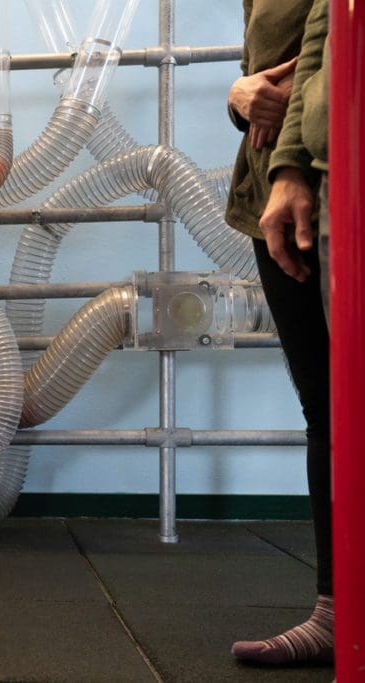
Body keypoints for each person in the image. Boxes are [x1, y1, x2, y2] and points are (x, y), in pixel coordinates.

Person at [225, 0, 334, 665]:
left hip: (322, 180)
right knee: (327, 406)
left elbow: (323, 53)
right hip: (276, 194)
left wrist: (294, 157)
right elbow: (270, 72)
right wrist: (241, 98)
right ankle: (337, 607)